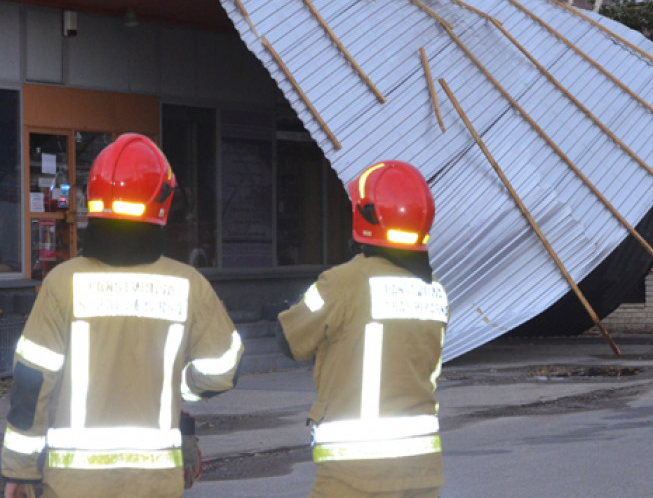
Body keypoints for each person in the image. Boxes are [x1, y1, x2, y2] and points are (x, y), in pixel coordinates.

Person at [1, 133, 243, 498]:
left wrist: (18, 470)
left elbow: (31, 384)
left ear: (93, 199)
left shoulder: (62, 283)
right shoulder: (188, 284)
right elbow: (222, 370)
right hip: (154, 485)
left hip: (71, 487)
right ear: (162, 203)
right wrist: (178, 387)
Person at [279, 160, 448, 498]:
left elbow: (289, 341)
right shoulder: (435, 292)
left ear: (364, 217)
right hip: (422, 469)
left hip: (354, 474)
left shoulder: (342, 282)